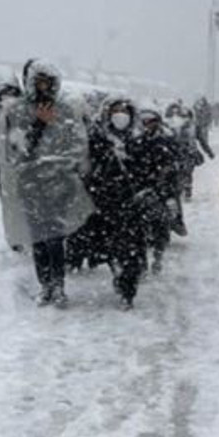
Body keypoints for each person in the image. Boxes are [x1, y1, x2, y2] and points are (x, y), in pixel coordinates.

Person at [0, 59, 93, 307]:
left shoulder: (66, 111)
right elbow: (17, 149)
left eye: (48, 83)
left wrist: (63, 167)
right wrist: (39, 125)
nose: (43, 88)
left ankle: (58, 286)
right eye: (38, 82)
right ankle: (45, 285)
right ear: (30, 83)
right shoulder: (17, 112)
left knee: (56, 237)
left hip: (59, 184)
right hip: (30, 184)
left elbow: (77, 146)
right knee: (38, 237)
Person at [84, 97, 147, 309]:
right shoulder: (97, 138)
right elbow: (88, 167)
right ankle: (118, 273)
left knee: (131, 249)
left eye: (124, 111)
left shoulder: (139, 139)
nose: (120, 115)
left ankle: (128, 289)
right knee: (110, 247)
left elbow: (148, 168)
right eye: (116, 110)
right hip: (105, 202)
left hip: (132, 203)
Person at [131, 108, 181, 275]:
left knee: (160, 227)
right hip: (141, 190)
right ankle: (142, 262)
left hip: (161, 191)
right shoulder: (135, 141)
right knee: (138, 230)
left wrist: (169, 193)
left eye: (150, 121)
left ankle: (158, 257)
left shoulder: (167, 140)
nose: (147, 124)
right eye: (144, 121)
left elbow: (174, 168)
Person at [193, 96, 216, 161]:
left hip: (204, 124)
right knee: (202, 137)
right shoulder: (197, 107)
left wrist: (208, 122)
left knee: (203, 137)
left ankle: (206, 146)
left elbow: (209, 115)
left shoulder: (207, 107)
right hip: (199, 124)